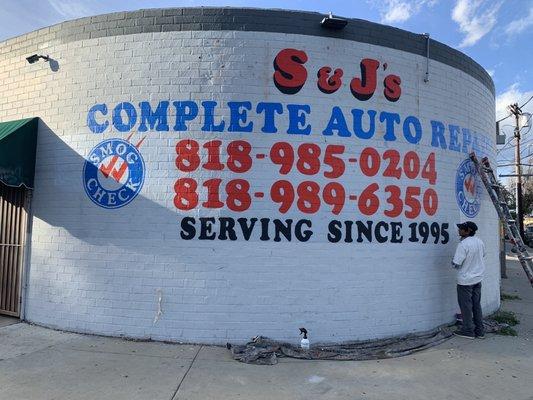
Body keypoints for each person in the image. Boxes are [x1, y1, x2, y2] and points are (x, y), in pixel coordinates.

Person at [451, 221, 486, 339]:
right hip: (477, 279)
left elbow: (456, 264)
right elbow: (483, 255)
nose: (459, 230)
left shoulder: (463, 245)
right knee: (476, 305)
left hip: (465, 281)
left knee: (466, 306)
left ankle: (468, 330)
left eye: (461, 229)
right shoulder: (479, 241)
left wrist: (453, 262)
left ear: (468, 231)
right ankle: (479, 330)